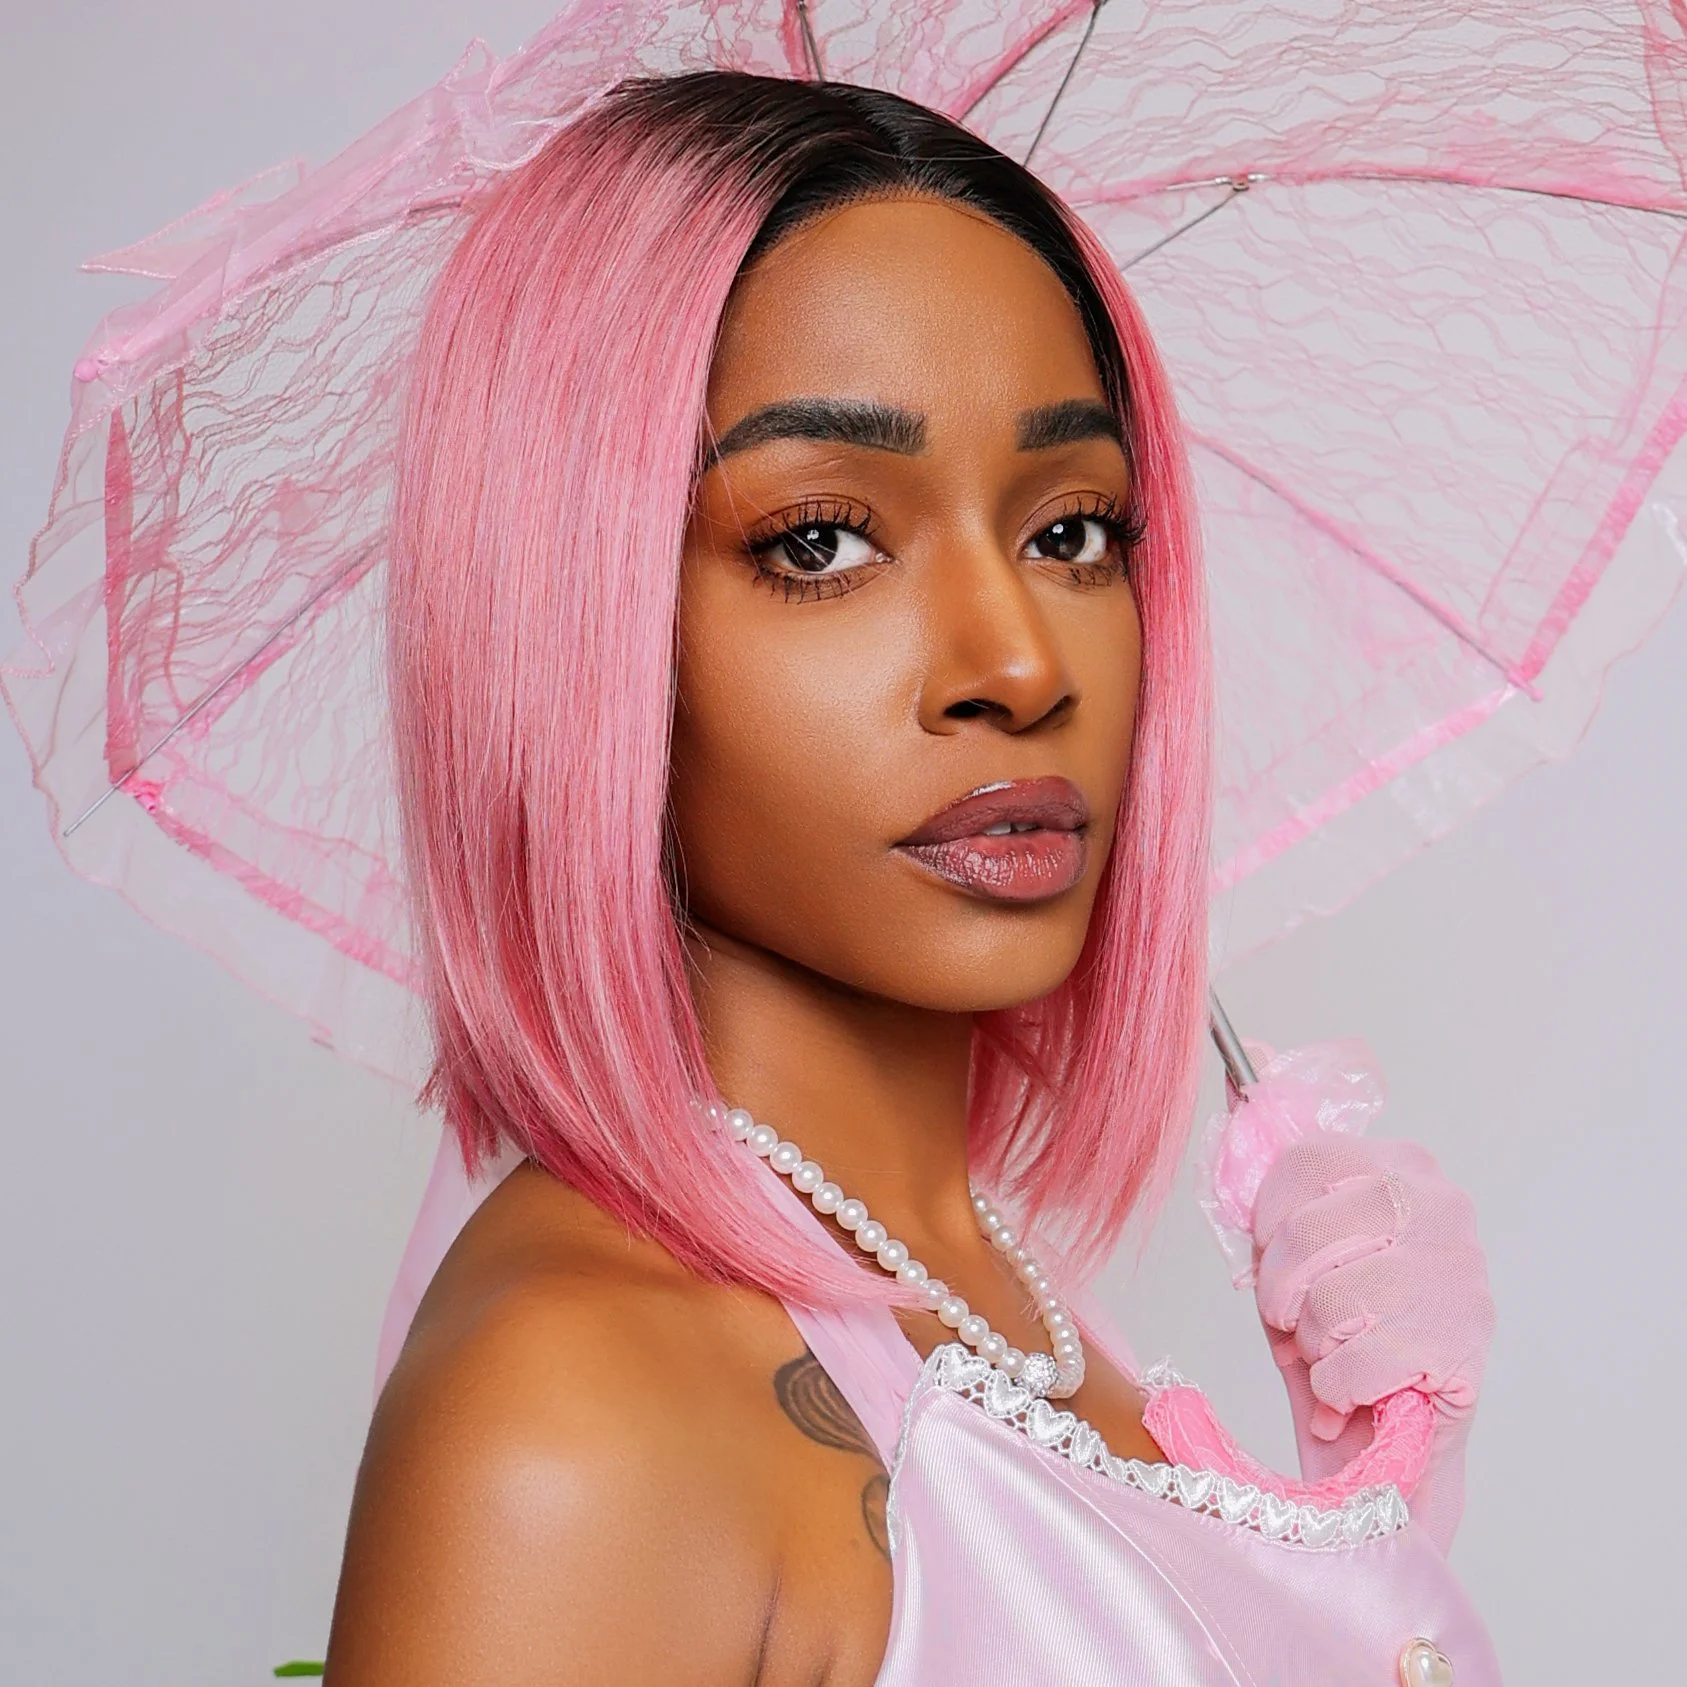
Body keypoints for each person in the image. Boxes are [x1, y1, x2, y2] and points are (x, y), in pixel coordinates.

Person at [326, 72, 1497, 1686]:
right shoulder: (583, 1411)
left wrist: (1374, 1530)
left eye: (1071, 531)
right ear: (570, 621)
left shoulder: (1000, 1313)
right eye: (820, 541)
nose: (1018, 662)